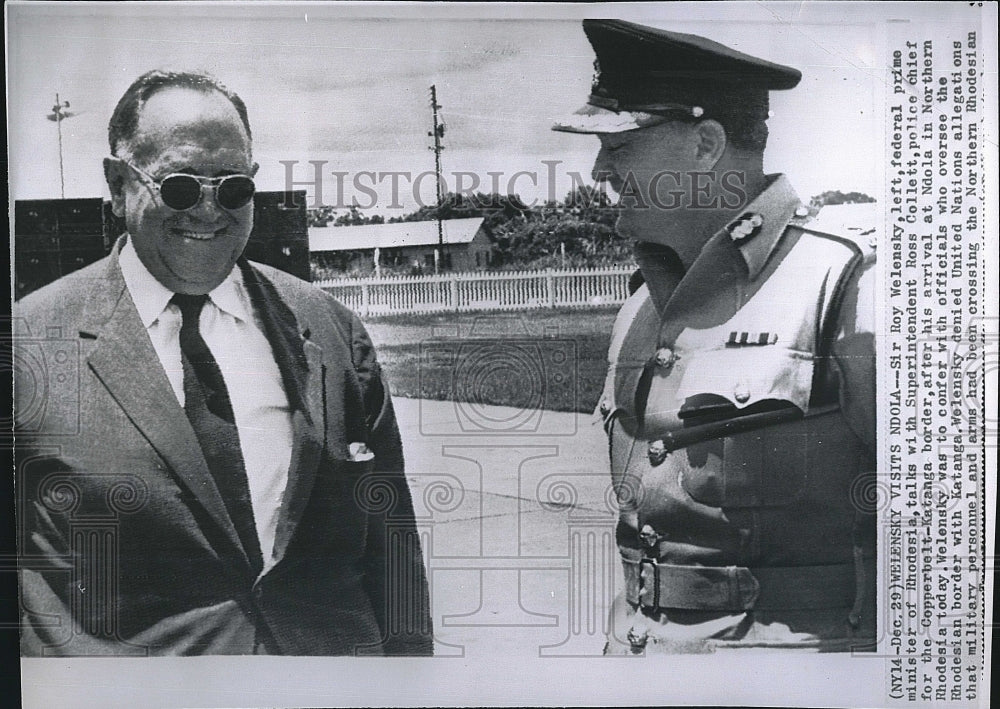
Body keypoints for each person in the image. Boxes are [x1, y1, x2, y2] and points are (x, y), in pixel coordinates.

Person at [15, 70, 432, 656]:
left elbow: (392, 550)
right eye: (181, 186)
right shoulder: (29, 346)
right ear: (117, 184)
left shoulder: (331, 332)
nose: (209, 211)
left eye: (233, 189)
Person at [553, 20, 876, 653]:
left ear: (705, 147)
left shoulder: (846, 285)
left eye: (617, 147)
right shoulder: (641, 310)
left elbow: (955, 534)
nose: (598, 170)